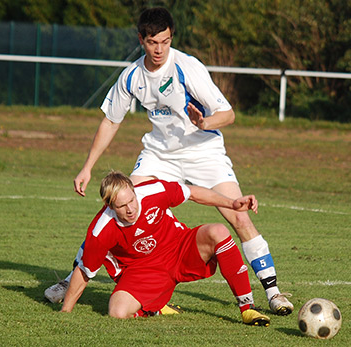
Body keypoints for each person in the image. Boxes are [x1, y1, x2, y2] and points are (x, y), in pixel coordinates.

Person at [46, 7, 293, 316]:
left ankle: (273, 292)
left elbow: (227, 114)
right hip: (159, 154)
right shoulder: (132, 76)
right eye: (152, 42)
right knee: (117, 201)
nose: (159, 49)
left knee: (238, 215)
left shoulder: (187, 67)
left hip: (204, 151)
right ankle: (72, 279)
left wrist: (204, 123)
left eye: (165, 41)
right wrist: (87, 166)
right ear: (141, 40)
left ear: (171, 38)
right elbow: (110, 121)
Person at [60, 170, 270, 326]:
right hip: (143, 271)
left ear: (134, 192)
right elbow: (84, 272)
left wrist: (231, 203)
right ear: (110, 206)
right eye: (122, 206)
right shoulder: (101, 230)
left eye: (132, 200)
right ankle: (154, 307)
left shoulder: (153, 191)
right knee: (117, 312)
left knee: (218, 231)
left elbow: (193, 193)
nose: (131, 209)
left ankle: (247, 309)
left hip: (179, 248)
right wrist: (65, 313)